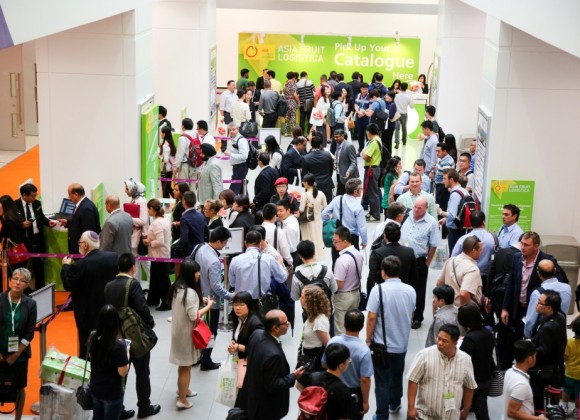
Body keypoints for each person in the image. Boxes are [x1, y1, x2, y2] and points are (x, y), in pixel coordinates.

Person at [104, 253, 157, 419]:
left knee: (120, 374)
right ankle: (144, 407)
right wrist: (150, 323)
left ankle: (118, 409)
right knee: (142, 372)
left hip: (116, 336)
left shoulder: (108, 285)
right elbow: (142, 308)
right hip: (135, 336)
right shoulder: (132, 284)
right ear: (134, 267)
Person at [366, 256, 416, 418]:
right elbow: (411, 314)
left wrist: (368, 339)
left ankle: (381, 415)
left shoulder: (378, 290)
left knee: (382, 381)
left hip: (382, 345)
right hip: (402, 343)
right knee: (397, 375)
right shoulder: (410, 290)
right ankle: (394, 403)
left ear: (383, 272)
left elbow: (371, 317)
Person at [235, 310, 305, 420]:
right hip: (265, 407)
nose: (288, 324)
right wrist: (293, 376)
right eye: (285, 323)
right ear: (275, 327)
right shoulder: (273, 355)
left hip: (251, 396)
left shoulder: (256, 334)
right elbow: (273, 385)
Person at [61, 231, 118, 358]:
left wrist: (65, 267)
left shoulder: (80, 265)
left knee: (87, 349)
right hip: (109, 310)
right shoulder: (113, 257)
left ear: (85, 245)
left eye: (80, 243)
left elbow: (68, 285)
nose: (79, 245)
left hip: (88, 316)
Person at [502, 231, 565, 346]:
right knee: (516, 341)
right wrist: (505, 308)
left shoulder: (547, 261)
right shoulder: (517, 257)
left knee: (533, 342)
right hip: (517, 308)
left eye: (527, 245)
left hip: (537, 310)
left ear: (536, 246)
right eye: (522, 243)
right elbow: (511, 284)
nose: (523, 247)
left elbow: (557, 285)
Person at [407, 324, 477, 420]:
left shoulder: (465, 360)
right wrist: (411, 408)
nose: (439, 343)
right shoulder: (424, 355)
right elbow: (413, 380)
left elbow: (469, 387)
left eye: (444, 341)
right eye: (439, 338)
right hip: (425, 416)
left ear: (455, 343)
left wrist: (466, 410)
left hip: (451, 416)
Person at [169, 258, 213, 409]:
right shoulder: (190, 292)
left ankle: (183, 389)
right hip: (186, 334)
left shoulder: (177, 287)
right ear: (190, 274)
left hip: (178, 332)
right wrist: (209, 306)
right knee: (186, 366)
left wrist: (200, 301)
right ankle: (182, 399)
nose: (198, 274)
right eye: (196, 272)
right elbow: (194, 316)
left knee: (183, 364)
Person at [192, 227, 234, 371]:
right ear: (218, 242)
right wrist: (230, 296)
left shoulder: (200, 248)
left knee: (198, 328)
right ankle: (206, 360)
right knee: (210, 332)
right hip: (211, 302)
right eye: (225, 242)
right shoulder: (214, 261)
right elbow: (216, 286)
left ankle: (197, 357)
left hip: (198, 296)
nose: (225, 245)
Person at [0, 268, 36, 420]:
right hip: (0, 351)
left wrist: (16, 354)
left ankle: (18, 418)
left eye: (22, 280)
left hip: (20, 354)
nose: (17, 282)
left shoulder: (31, 304)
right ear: (10, 281)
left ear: (27, 285)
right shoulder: (0, 299)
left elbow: (29, 333)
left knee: (20, 387)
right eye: (15, 278)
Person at [322, 309, 372, 419]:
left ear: (344, 324)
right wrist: (365, 401)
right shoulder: (364, 350)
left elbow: (324, 364)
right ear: (362, 326)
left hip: (331, 389)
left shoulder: (332, 341)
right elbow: (365, 379)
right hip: (353, 394)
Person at [400, 196, 440, 329]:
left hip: (419, 260)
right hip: (402, 259)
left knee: (419, 290)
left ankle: (417, 317)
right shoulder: (406, 216)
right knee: (402, 287)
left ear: (426, 208)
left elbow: (433, 245)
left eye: (419, 208)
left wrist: (427, 263)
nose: (416, 210)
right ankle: (403, 314)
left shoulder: (431, 222)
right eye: (415, 207)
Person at [87, 304, 130, 420]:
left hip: (95, 388)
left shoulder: (93, 337)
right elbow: (122, 371)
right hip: (112, 392)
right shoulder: (119, 346)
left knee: (97, 417)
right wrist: (127, 352)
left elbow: (91, 356)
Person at [529, 290, 567, 408]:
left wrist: (529, 347)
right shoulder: (559, 317)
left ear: (549, 308)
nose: (537, 304)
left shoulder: (548, 328)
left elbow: (544, 352)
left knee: (540, 407)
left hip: (544, 374)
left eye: (540, 303)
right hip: (555, 370)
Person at [15, 183, 57, 290]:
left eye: (35, 195)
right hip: (24, 241)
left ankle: (40, 290)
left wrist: (48, 222)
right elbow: (11, 223)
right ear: (24, 195)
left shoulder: (37, 203)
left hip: (38, 239)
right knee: (23, 267)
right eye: (33, 196)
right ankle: (23, 291)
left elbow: (41, 217)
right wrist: (21, 225)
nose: (35, 198)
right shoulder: (15, 206)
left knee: (39, 267)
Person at [457, 303, 495, 420]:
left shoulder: (470, 339)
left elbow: (462, 360)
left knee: (459, 409)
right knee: (481, 409)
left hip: (472, 381)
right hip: (485, 376)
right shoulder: (488, 332)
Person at [229, 231, 287, 304]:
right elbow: (282, 278)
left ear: (245, 243)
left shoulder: (235, 260)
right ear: (260, 244)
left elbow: (232, 283)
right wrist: (280, 265)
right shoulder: (268, 258)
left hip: (242, 302)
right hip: (262, 302)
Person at [301, 343, 353, 420]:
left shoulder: (313, 377)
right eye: (348, 360)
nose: (349, 362)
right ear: (341, 365)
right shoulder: (342, 390)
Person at [322, 178, 368, 263]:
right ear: (356, 191)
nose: (362, 190)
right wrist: (364, 241)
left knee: (336, 263)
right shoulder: (358, 207)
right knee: (352, 263)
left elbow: (324, 214)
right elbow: (362, 228)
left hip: (337, 236)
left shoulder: (337, 199)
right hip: (351, 239)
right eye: (361, 189)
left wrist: (331, 223)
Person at [503, 340, 546, 420]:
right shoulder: (521, 383)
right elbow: (512, 412)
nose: (535, 358)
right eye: (535, 356)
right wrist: (538, 419)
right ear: (529, 359)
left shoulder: (509, 371)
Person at [367, 222, 417, 292]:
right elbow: (414, 276)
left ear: (385, 236)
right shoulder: (409, 252)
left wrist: (370, 294)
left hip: (383, 292)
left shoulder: (377, 253)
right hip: (404, 291)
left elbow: (372, 277)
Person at [436, 235, 484, 307]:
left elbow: (439, 283)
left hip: (448, 309)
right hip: (461, 311)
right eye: (480, 250)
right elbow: (463, 294)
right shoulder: (472, 269)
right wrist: (467, 310)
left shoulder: (450, 260)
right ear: (473, 251)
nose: (482, 252)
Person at [332, 227, 363, 335]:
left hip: (343, 297)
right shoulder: (358, 254)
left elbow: (339, 284)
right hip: (356, 293)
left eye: (336, 241)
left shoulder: (342, 260)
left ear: (345, 242)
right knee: (353, 327)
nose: (334, 244)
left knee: (340, 329)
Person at [451, 211, 496, 284]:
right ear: (484, 222)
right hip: (486, 276)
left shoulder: (463, 239)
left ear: (471, 223)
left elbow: (453, 258)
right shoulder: (493, 238)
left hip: (466, 275)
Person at [143, 199, 171, 310]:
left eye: (148, 209)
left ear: (151, 209)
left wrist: (149, 242)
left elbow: (160, 240)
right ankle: (153, 300)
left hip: (159, 255)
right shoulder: (163, 220)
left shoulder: (157, 223)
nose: (147, 211)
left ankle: (166, 303)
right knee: (155, 278)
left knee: (162, 280)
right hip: (160, 254)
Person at [59, 183, 101, 254]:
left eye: (69, 194)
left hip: (82, 251)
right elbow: (80, 221)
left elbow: (88, 231)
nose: (69, 197)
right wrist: (68, 222)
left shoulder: (86, 208)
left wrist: (83, 251)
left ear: (76, 194)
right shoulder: (82, 205)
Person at [299, 285, 331, 373]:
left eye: (303, 297)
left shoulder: (319, 320)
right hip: (308, 357)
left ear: (311, 301)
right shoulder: (311, 316)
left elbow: (328, 344)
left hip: (315, 361)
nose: (300, 299)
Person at [227, 291, 264, 365]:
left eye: (241, 305)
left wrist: (238, 346)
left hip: (251, 363)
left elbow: (258, 349)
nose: (237, 308)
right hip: (239, 360)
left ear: (249, 306)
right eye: (235, 305)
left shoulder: (255, 324)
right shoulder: (238, 319)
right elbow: (237, 337)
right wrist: (233, 344)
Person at [438, 169, 469, 253]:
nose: (443, 181)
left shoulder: (455, 195)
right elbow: (458, 212)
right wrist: (445, 219)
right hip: (461, 230)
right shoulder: (463, 190)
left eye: (445, 179)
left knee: (454, 256)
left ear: (451, 179)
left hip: (455, 232)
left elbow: (452, 216)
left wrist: (440, 212)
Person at [124, 178, 149, 281]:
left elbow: (143, 220)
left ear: (133, 189)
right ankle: (137, 284)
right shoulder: (135, 199)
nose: (125, 191)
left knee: (145, 263)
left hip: (139, 237)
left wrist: (128, 218)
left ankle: (153, 284)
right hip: (135, 235)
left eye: (127, 188)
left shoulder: (141, 201)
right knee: (137, 263)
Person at [174, 191, 207, 258]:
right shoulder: (201, 215)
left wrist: (176, 248)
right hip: (201, 249)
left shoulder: (184, 218)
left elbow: (184, 238)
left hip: (189, 252)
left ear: (184, 201)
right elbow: (206, 231)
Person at [299, 173, 327, 252]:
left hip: (307, 222)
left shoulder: (304, 195)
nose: (303, 183)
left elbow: (301, 209)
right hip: (318, 221)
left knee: (308, 241)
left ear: (306, 183)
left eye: (303, 182)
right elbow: (326, 208)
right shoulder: (321, 193)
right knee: (318, 240)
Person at [303, 134, 335, 203]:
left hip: (313, 185)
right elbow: (331, 169)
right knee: (327, 205)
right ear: (321, 144)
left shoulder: (306, 157)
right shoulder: (327, 154)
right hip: (327, 184)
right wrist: (328, 177)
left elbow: (305, 174)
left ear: (311, 144)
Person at [361, 123, 382, 221]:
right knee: (371, 192)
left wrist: (363, 152)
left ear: (369, 132)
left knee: (373, 193)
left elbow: (366, 156)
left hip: (371, 169)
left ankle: (376, 215)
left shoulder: (374, 142)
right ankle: (372, 212)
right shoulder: (377, 140)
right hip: (373, 168)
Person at [561, 316, 580, 417]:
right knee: (578, 394)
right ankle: (577, 411)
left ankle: (564, 407)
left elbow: (565, 357)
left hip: (569, 372)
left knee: (566, 390)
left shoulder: (569, 342)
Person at [223, 122, 249, 195]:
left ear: (238, 129)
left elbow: (244, 156)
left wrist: (230, 154)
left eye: (233, 129)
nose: (231, 131)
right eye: (230, 130)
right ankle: (246, 201)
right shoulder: (233, 138)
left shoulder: (241, 141)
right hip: (237, 167)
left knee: (233, 191)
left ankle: (230, 202)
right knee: (242, 190)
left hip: (241, 167)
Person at [172, 118, 198, 188]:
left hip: (186, 165)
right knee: (193, 187)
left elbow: (180, 154)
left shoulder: (183, 138)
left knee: (183, 187)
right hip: (196, 164)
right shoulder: (196, 135)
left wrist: (175, 167)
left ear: (183, 126)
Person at [334, 129, 358, 196]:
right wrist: (335, 163)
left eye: (337, 137)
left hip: (348, 177)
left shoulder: (349, 146)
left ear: (342, 136)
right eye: (334, 137)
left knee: (346, 196)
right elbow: (338, 156)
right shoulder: (338, 144)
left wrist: (349, 171)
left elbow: (354, 162)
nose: (335, 139)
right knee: (340, 196)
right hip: (340, 174)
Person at [276, 199, 300, 267]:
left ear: (288, 210)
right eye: (277, 210)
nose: (278, 213)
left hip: (290, 257)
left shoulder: (289, 227)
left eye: (281, 210)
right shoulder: (290, 219)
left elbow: (291, 248)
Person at [394, 82, 414, 149]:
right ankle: (404, 141)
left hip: (397, 114)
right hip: (404, 114)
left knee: (397, 129)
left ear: (400, 87)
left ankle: (397, 143)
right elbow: (412, 106)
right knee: (404, 128)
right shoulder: (408, 97)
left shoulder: (396, 96)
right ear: (406, 88)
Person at [159, 125, 177, 198]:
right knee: (168, 187)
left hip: (166, 169)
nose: (161, 134)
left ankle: (171, 201)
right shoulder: (170, 142)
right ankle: (176, 200)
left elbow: (165, 159)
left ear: (164, 134)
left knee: (166, 189)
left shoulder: (165, 145)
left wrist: (160, 157)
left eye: (161, 133)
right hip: (170, 169)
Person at [283, 71, 299, 136]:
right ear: (294, 77)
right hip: (292, 102)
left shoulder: (285, 84)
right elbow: (295, 94)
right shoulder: (293, 84)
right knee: (293, 117)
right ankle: (293, 133)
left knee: (287, 117)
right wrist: (298, 102)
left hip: (286, 102)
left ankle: (286, 132)